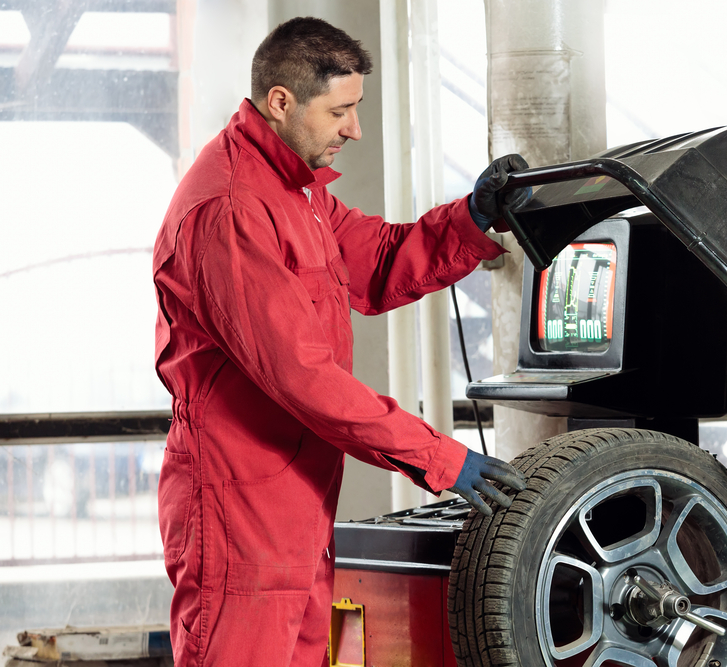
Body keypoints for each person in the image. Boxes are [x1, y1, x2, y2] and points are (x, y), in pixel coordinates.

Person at [152, 16, 529, 667]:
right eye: (341, 111)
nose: (354, 129)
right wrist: (443, 459)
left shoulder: (296, 194)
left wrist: (469, 217)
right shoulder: (235, 208)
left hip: (295, 509)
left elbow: (379, 260)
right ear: (282, 102)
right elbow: (306, 378)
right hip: (241, 514)